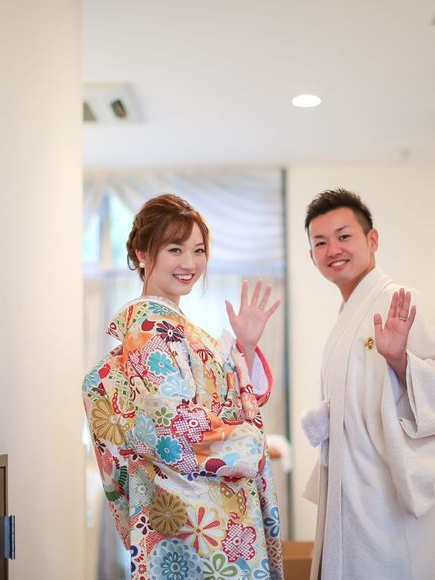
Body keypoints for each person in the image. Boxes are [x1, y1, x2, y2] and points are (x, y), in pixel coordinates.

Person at [83, 194, 284, 579]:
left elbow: (225, 400)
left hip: (209, 510)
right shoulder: (149, 331)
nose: (190, 263)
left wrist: (245, 347)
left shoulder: (178, 328)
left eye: (198, 250)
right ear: (143, 253)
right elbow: (169, 428)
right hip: (195, 517)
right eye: (175, 249)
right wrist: (250, 443)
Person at [300, 189, 435, 580]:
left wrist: (400, 360)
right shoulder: (348, 314)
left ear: (372, 239)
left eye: (344, 236)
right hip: (353, 483)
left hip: (386, 491)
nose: (333, 250)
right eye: (321, 243)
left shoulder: (403, 302)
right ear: (312, 256)